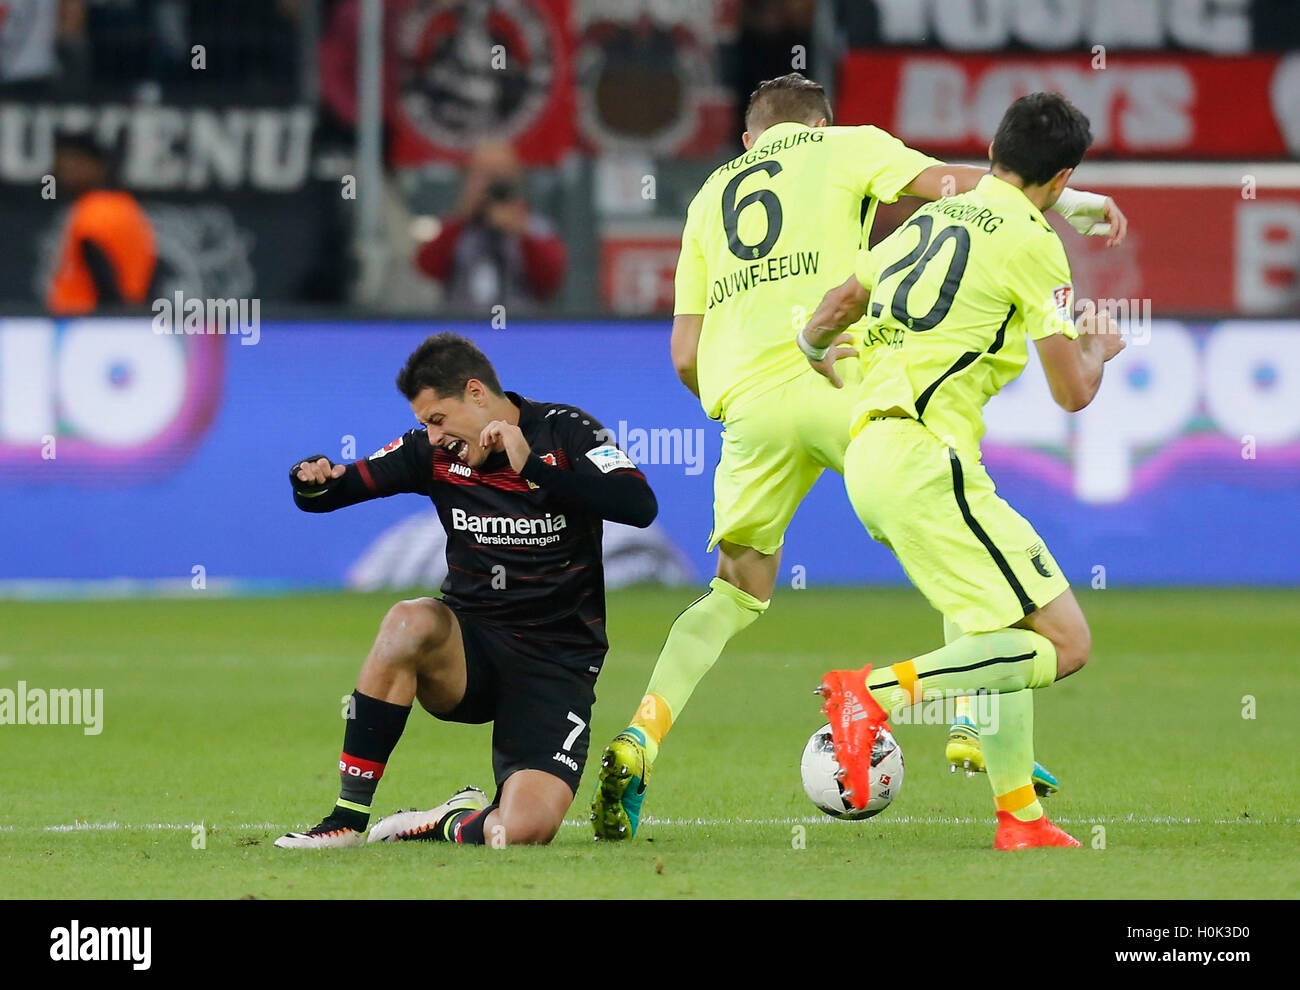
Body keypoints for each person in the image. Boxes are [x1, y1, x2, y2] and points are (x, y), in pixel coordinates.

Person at [590, 72, 1126, 841]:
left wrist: (734, 400)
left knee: (735, 593)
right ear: (821, 122)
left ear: (750, 140)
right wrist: (1066, 203)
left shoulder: (710, 195)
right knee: (951, 512)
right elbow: (955, 188)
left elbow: (684, 352)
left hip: (747, 400)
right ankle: (971, 717)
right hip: (844, 376)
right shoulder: (850, 147)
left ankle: (641, 734)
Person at [807, 92, 1126, 850]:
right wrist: (1099, 351)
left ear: (992, 152)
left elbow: (841, 302)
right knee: (1066, 642)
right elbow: (1071, 392)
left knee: (999, 628)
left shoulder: (933, 216)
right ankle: (870, 695)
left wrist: (816, 351)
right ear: (1064, 174)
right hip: (926, 457)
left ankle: (1018, 817)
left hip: (871, 456)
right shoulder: (1033, 243)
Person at [276, 332, 656, 849]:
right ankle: (347, 817)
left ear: (476, 393)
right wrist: (312, 479)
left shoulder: (567, 432)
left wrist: (534, 470)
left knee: (521, 832)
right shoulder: (430, 456)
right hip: (469, 651)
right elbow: (333, 491)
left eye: (437, 420)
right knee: (409, 620)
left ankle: (447, 821)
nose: (433, 436)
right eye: (424, 425)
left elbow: (639, 505)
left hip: (557, 664)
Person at [413, 140, 567, 308]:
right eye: (485, 174)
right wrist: (463, 216)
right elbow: (426, 267)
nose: (493, 184)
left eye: (501, 174)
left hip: (516, 327)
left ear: (517, 177)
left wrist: (521, 233)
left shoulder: (534, 226)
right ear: (468, 177)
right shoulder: (456, 225)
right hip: (463, 326)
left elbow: (550, 280)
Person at [45, 134, 156, 315]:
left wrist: (109, 320)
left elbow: (103, 278)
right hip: (127, 318)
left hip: (88, 323)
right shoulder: (127, 207)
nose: (64, 172)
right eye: (62, 165)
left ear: (96, 166)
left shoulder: (94, 212)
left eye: (74, 163)